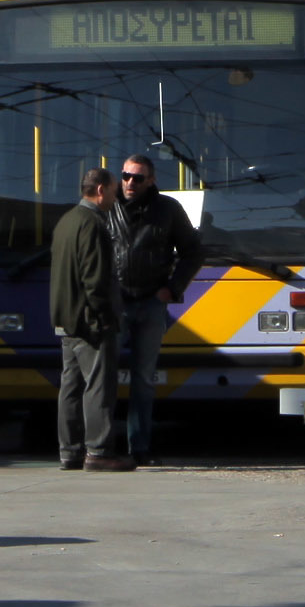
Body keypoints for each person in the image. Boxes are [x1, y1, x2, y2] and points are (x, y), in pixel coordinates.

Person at [106, 154, 199, 463]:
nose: (130, 183)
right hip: (115, 303)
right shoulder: (107, 207)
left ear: (151, 181)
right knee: (103, 376)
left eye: (138, 178)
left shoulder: (167, 210)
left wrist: (173, 288)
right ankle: (100, 447)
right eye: (126, 176)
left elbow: (193, 251)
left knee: (144, 379)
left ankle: (139, 448)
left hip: (150, 302)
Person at [47, 168, 126, 472]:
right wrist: (105, 316)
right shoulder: (93, 224)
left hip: (66, 318)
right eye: (114, 190)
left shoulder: (66, 221)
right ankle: (99, 451)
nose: (117, 197)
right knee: (98, 385)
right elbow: (95, 278)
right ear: (101, 190)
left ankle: (69, 452)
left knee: (71, 386)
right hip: (89, 319)